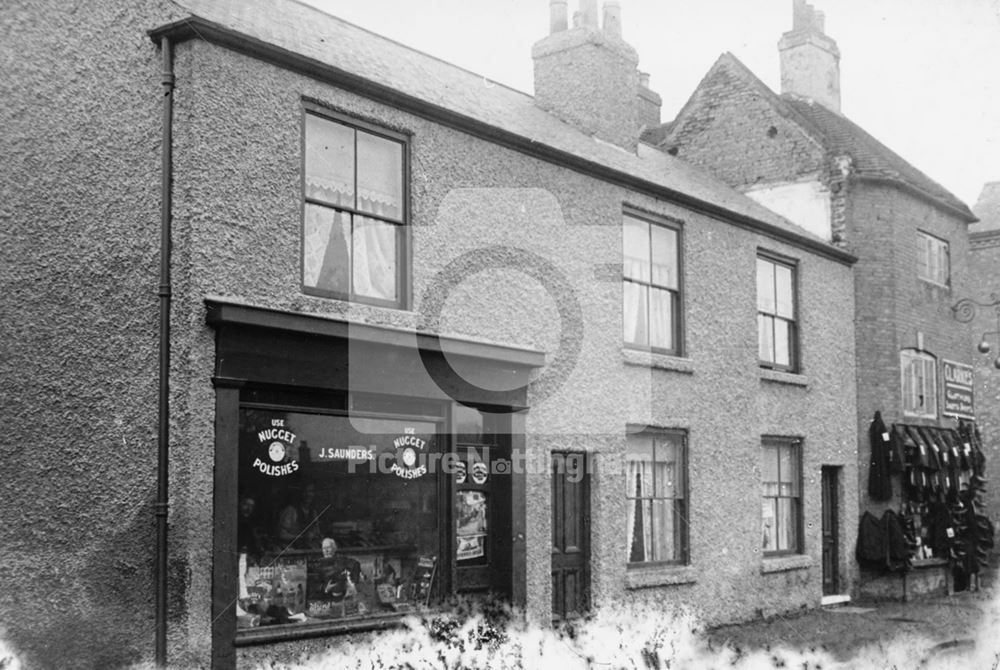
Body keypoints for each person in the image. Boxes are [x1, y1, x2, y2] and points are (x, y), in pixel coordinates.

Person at [277, 483, 320, 548]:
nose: (308, 494)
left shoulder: (313, 513)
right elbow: (281, 534)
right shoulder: (291, 511)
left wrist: (313, 535)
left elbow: (317, 533)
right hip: (290, 550)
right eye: (305, 491)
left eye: (310, 491)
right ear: (300, 493)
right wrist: (301, 537)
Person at [237, 494, 265, 558]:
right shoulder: (236, 520)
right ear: (240, 504)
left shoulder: (252, 522)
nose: (248, 508)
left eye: (251, 506)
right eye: (246, 504)